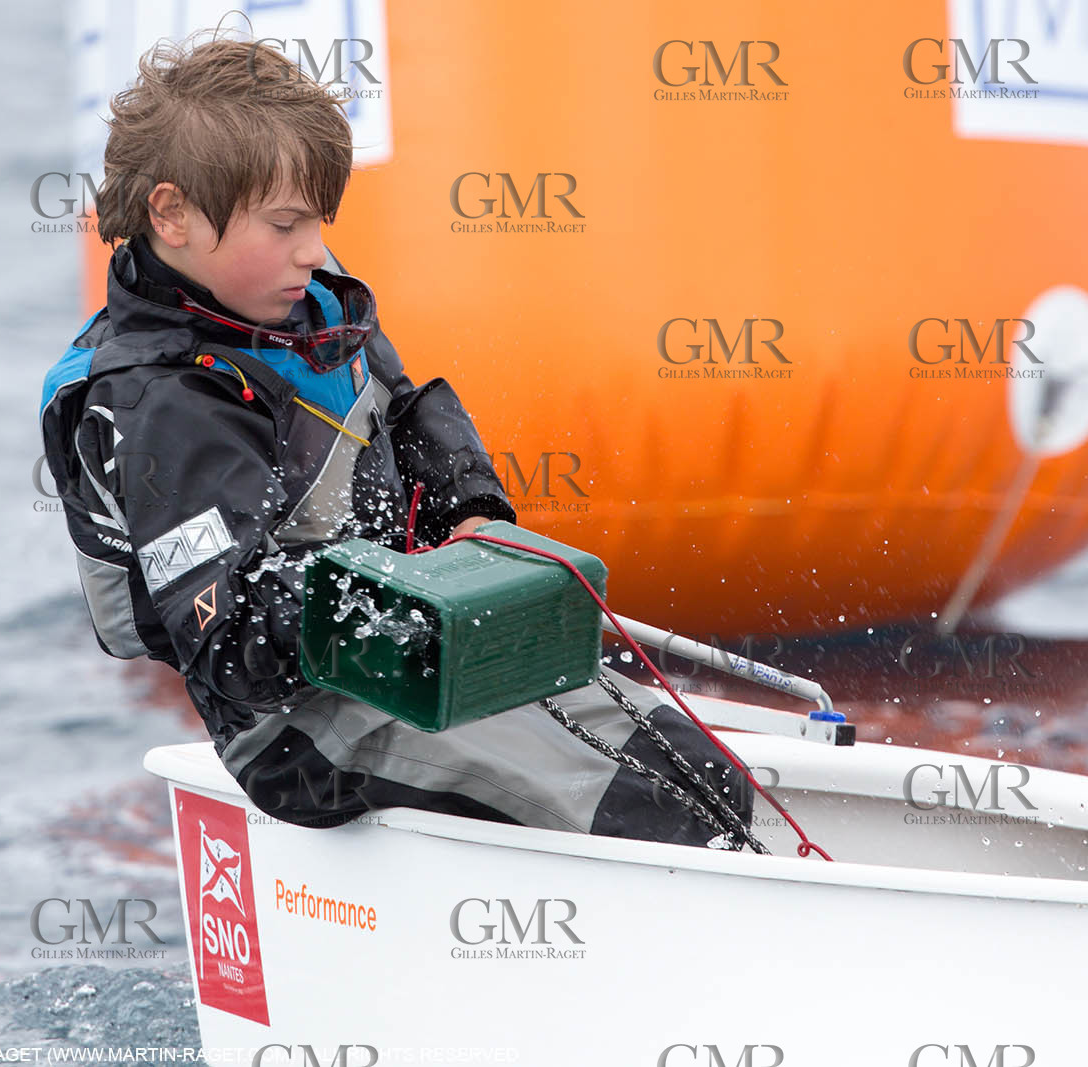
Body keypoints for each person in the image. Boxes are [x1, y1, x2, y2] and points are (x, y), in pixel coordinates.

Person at [39, 34, 752, 847]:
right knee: (640, 806)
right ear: (171, 214)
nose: (313, 250)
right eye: (285, 224)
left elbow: (404, 414)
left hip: (417, 643)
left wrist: (471, 515)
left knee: (703, 774)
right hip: (296, 728)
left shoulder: (306, 302)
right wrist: (390, 597)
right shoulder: (163, 404)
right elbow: (233, 643)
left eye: (317, 222)